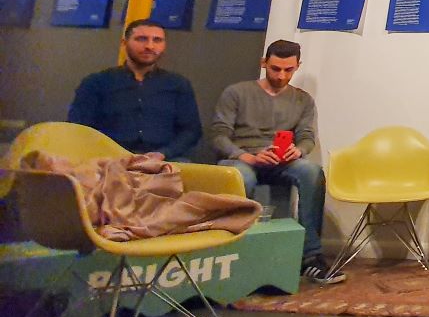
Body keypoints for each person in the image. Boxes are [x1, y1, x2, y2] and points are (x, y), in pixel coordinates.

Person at [208, 40, 345, 286]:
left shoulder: (302, 100)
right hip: (243, 158)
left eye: (288, 70)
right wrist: (246, 155)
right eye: (275, 69)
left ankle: (311, 257)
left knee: (312, 172)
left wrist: (298, 150)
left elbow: (306, 137)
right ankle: (235, 250)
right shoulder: (237, 92)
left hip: (280, 160)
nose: (281, 76)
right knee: (243, 176)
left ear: (297, 66)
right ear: (264, 63)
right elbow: (219, 135)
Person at [67, 18, 202, 160]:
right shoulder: (97, 82)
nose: (149, 46)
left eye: (157, 40)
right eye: (141, 39)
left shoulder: (177, 84)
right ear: (124, 43)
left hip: (165, 159)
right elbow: (79, 128)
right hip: (109, 158)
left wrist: (164, 153)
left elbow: (191, 131)